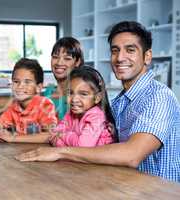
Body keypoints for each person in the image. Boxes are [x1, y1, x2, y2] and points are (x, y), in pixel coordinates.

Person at [16, 21, 180, 182]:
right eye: (115, 51)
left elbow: (132, 155)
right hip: (125, 185)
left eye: (130, 50)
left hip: (158, 193)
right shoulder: (118, 102)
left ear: (147, 56)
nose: (120, 57)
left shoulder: (159, 97)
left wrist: (61, 151)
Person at [0, 58, 58, 143]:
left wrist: (12, 138)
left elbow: (51, 135)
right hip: (21, 152)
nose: (20, 86)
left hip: (42, 153)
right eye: (16, 81)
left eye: (27, 82)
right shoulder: (14, 107)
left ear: (38, 87)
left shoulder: (45, 105)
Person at [49, 66, 115, 147]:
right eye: (71, 93)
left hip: (97, 158)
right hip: (75, 157)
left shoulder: (96, 116)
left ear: (97, 98)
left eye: (83, 94)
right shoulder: (71, 114)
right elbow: (53, 135)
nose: (74, 99)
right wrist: (64, 142)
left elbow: (83, 146)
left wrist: (63, 135)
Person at [44, 37, 84, 120]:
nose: (59, 63)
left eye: (67, 58)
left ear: (77, 62)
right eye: (55, 57)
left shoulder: (82, 96)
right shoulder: (48, 92)